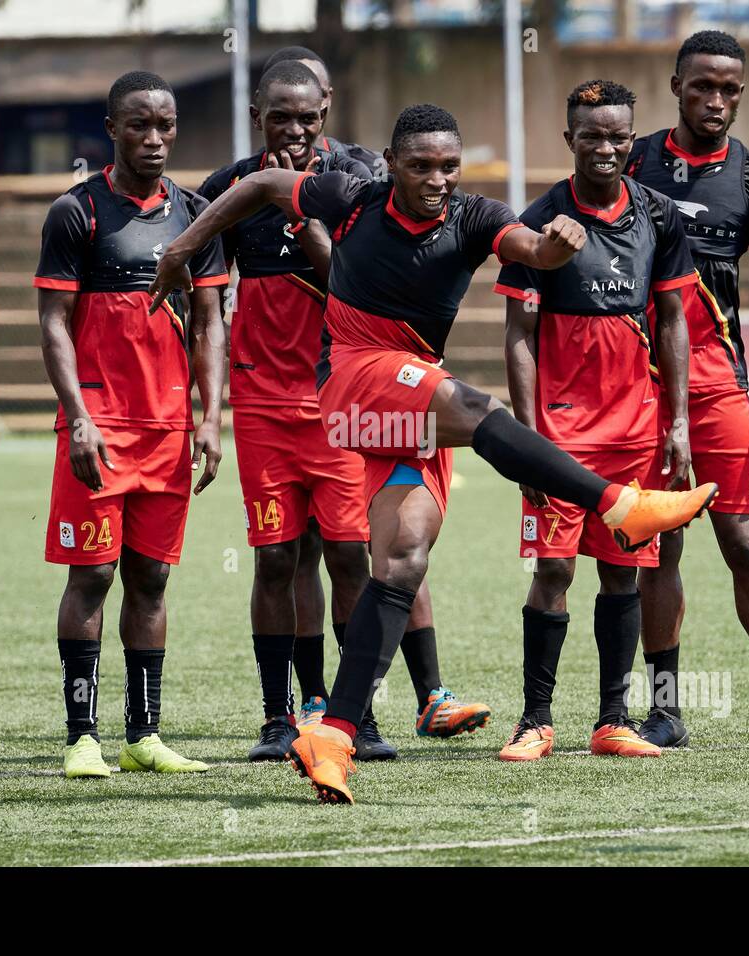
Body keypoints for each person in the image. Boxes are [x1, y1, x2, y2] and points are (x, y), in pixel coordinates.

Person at [150, 103, 718, 804]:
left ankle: (331, 735)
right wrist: (182, 247)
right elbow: (263, 187)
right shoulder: (352, 198)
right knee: (481, 410)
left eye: (449, 165)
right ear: (390, 165)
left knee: (402, 559)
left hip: (406, 400)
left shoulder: (475, 217)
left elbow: (532, 251)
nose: (437, 178)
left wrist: (557, 246)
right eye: (420, 165)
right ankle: (619, 504)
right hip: (357, 376)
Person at [257, 46, 486, 743]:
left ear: (327, 107)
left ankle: (403, 700)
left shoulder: (361, 182)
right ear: (260, 116)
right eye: (281, 116)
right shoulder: (237, 185)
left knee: (369, 550)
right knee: (279, 555)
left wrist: (308, 225)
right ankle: (296, 711)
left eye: (310, 112)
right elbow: (206, 291)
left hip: (356, 394)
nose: (297, 130)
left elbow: (353, 279)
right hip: (268, 400)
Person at [626, 30, 749, 750]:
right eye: (702, 86)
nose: (716, 100)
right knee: (658, 546)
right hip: (638, 387)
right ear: (676, 84)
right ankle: (664, 710)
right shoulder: (632, 159)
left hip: (718, 388)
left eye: (729, 90)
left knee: (745, 544)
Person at [496, 80, 695, 762]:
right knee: (553, 571)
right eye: (592, 136)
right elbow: (519, 335)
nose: (606, 148)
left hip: (635, 431)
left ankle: (613, 720)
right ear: (569, 140)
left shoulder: (660, 217)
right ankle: (535, 722)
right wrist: (526, 439)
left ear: (631, 139)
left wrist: (678, 421)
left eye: (618, 137)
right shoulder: (541, 221)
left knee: (621, 572)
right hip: (560, 437)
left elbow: (671, 319)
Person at [35, 71, 225, 780]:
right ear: (111, 128)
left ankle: (142, 736)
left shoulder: (199, 216)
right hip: (99, 428)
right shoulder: (76, 213)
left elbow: (209, 325)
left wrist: (210, 420)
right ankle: (80, 736)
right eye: (139, 125)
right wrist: (78, 418)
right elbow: (52, 323)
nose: (154, 138)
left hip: (169, 430)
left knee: (151, 577)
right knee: (94, 573)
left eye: (165, 126)